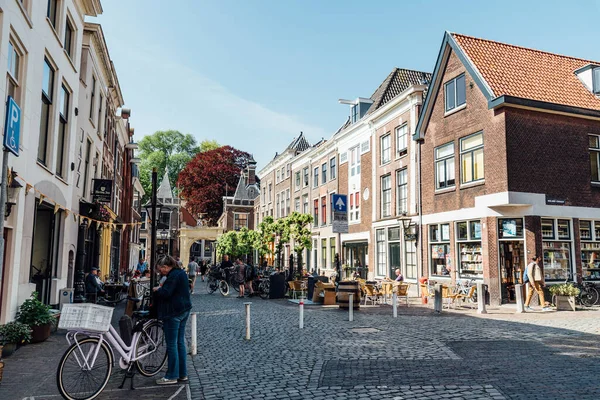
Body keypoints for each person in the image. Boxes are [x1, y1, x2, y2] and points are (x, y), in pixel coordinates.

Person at [153, 255, 192, 385]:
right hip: (184, 310)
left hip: (173, 312)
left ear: (166, 266)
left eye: (160, 270)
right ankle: (182, 374)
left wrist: (158, 290)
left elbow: (166, 293)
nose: (160, 272)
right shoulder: (181, 273)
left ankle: (172, 375)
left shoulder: (173, 276)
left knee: (172, 344)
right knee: (180, 342)